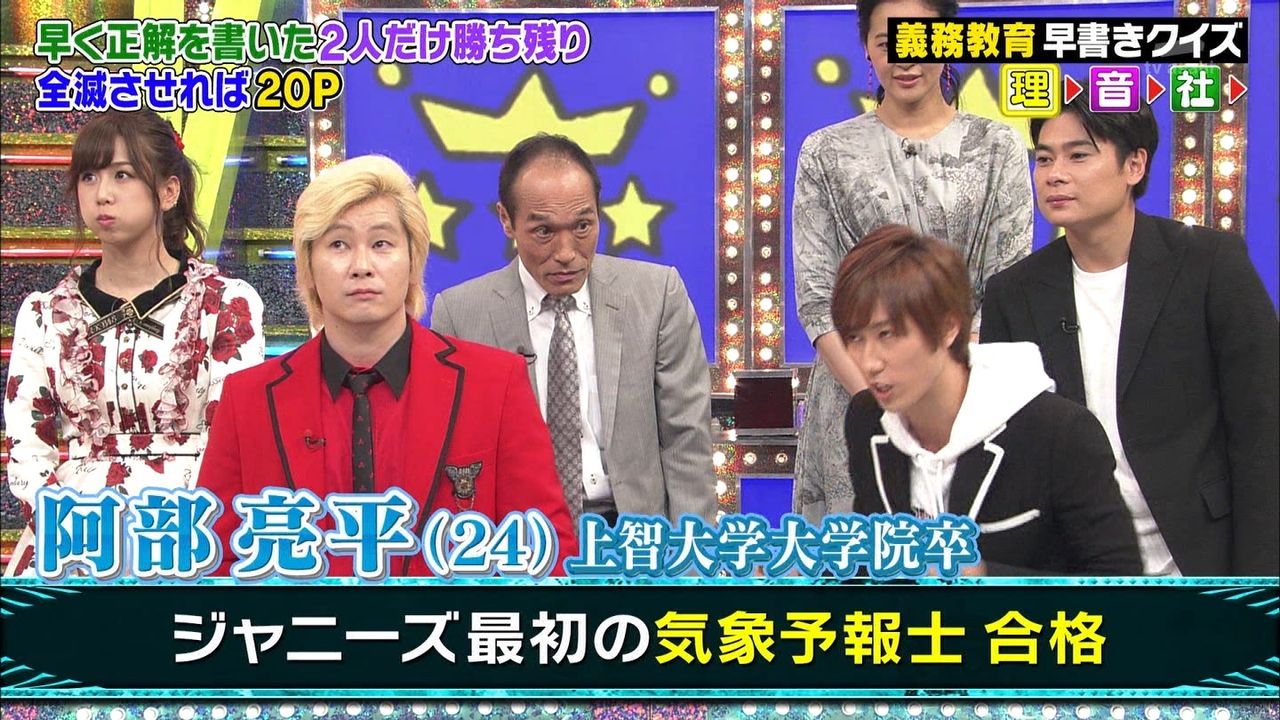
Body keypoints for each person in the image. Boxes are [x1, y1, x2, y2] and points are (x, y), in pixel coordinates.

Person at [197, 154, 577, 576]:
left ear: (414, 259)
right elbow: (213, 561)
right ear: (308, 267)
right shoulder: (248, 399)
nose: (361, 267)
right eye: (338, 245)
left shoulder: (495, 384)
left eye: (381, 244)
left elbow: (546, 553)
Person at [981, 99, 1279, 576]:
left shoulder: (1210, 264)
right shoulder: (1013, 293)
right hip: (1077, 568)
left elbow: (1262, 430)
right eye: (1044, 158)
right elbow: (1007, 452)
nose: (1055, 175)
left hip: (1201, 558)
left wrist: (1257, 587)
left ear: (1134, 165)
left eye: (1078, 155)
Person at [790, 0, 1034, 524]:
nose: (905, 59)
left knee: (967, 558)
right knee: (861, 564)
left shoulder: (998, 147)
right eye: (887, 44)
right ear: (866, 49)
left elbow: (1007, 282)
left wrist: (947, 399)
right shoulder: (826, 153)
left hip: (967, 410)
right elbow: (816, 299)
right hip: (857, 401)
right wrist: (877, 403)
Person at [3, 109, 265, 575]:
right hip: (74, 535)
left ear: (168, 191)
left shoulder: (227, 304)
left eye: (122, 175)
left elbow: (236, 438)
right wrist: (67, 529)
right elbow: (27, 446)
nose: (102, 193)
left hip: (194, 529)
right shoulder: (44, 314)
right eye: (89, 176)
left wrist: (197, 532)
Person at [431, 134, 716, 525]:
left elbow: (687, 441)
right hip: (521, 538)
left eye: (583, 226)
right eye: (544, 232)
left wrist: (691, 552)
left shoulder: (657, 295)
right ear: (506, 220)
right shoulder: (461, 315)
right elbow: (457, 463)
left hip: (632, 534)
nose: (566, 253)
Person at [839, 224, 1140, 575]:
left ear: (948, 328)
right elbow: (870, 562)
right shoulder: (867, 419)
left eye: (887, 334)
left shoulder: (1057, 432)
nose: (869, 362)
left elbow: (1121, 583)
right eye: (855, 338)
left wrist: (984, 577)